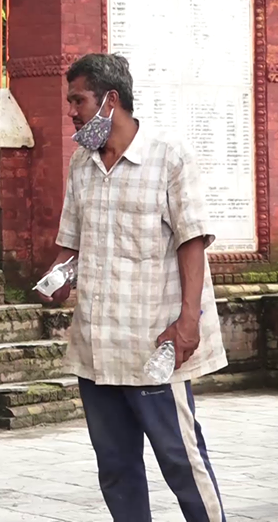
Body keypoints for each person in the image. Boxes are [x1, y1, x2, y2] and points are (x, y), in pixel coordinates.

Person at [41, 53, 227, 521]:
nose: (71, 111)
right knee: (116, 468)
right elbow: (71, 243)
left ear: (110, 100)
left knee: (181, 461)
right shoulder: (82, 164)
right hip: (96, 348)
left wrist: (188, 322)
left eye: (78, 100)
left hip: (154, 346)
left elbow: (191, 241)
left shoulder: (169, 155)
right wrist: (57, 278)